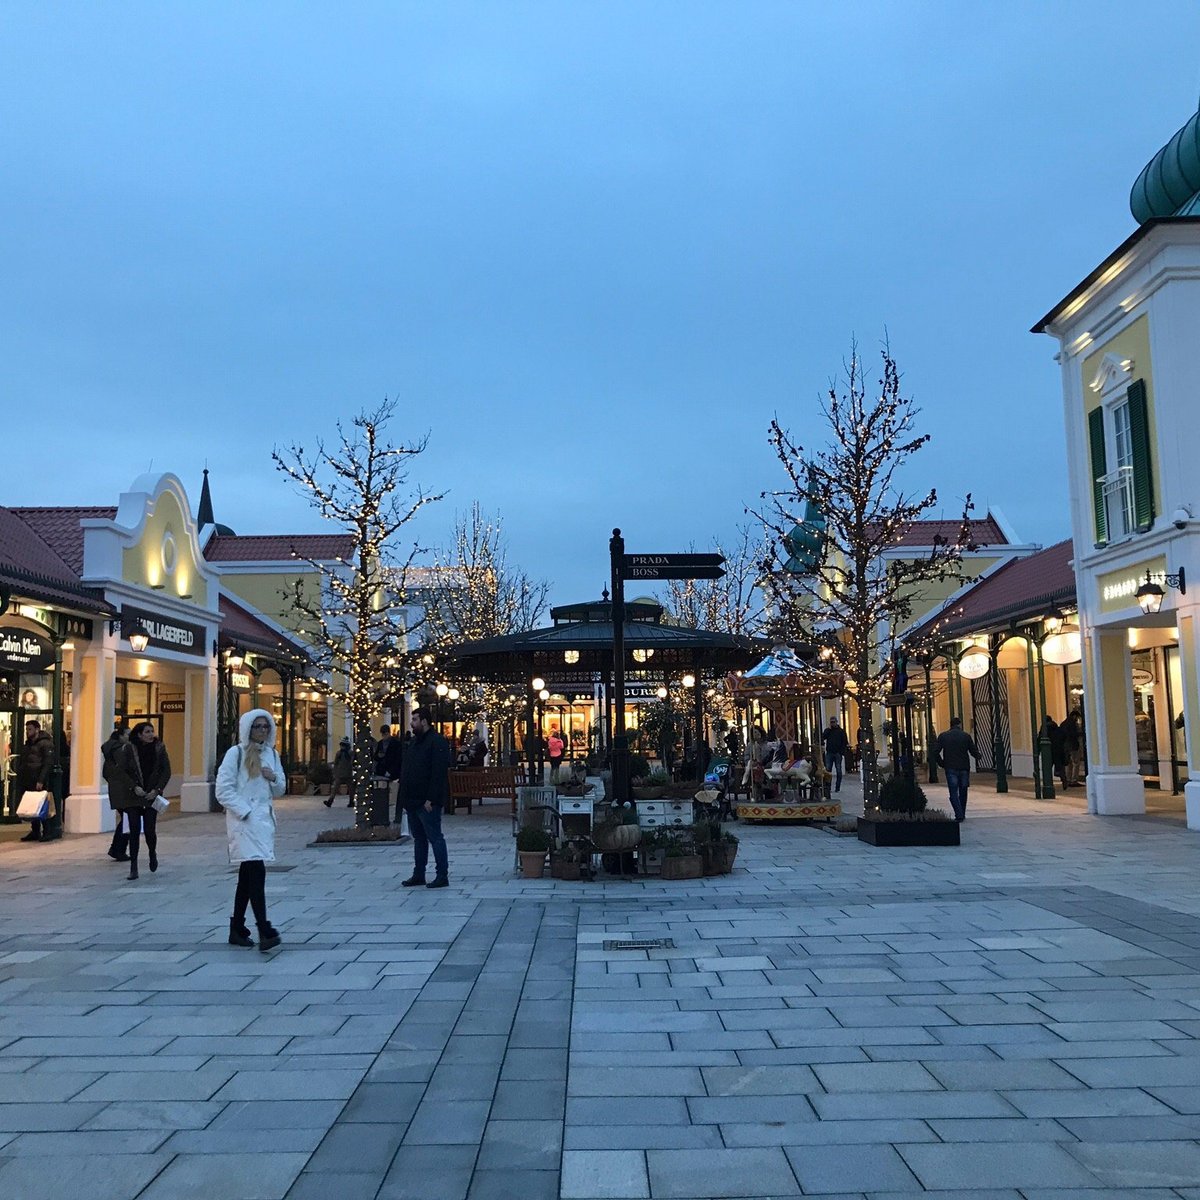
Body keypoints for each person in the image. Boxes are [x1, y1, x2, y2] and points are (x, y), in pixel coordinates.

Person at [215, 709, 285, 951]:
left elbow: (280, 789)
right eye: (258, 726)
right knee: (256, 873)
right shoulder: (235, 754)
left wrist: (273, 777)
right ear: (247, 728)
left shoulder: (272, 755)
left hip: (263, 823)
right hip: (244, 822)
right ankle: (264, 928)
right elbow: (223, 790)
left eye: (266, 726)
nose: (262, 731)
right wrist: (244, 811)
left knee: (247, 875)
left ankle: (237, 927)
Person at [399, 706, 451, 889]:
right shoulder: (414, 743)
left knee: (435, 837)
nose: (411, 724)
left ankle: (442, 874)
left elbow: (438, 773)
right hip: (412, 800)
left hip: (427, 802)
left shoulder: (437, 743)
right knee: (419, 839)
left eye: (414, 720)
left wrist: (431, 799)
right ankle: (419, 873)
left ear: (424, 721)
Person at [113, 722, 171, 880]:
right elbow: (121, 772)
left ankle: (152, 853)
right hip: (133, 797)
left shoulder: (159, 748)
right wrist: (133, 787)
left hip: (151, 796)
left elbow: (166, 771)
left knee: (150, 830)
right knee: (133, 830)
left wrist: (157, 790)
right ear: (139, 734)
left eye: (152, 731)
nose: (151, 734)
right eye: (147, 732)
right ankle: (134, 867)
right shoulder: (129, 749)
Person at [934, 717, 980, 822]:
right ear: (959, 725)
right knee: (963, 791)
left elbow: (935, 752)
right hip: (964, 767)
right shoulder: (965, 736)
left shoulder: (943, 736)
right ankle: (962, 812)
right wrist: (978, 756)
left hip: (950, 767)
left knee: (953, 792)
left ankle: (959, 814)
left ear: (950, 725)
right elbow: (973, 750)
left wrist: (942, 763)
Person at [16, 719, 55, 843]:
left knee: (41, 805)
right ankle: (35, 830)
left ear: (37, 729)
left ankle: (47, 831)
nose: (27, 732)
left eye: (30, 729)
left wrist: (41, 780)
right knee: (32, 805)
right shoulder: (28, 744)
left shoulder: (45, 743)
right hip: (28, 778)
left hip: (38, 779)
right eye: (27, 729)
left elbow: (47, 763)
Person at [101, 724, 130, 861]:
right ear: (120, 736)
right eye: (128, 735)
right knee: (129, 819)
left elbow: (105, 773)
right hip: (123, 789)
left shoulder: (110, 753)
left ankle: (117, 848)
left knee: (127, 818)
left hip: (116, 788)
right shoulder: (120, 751)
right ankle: (118, 849)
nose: (130, 738)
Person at [372, 724, 404, 824]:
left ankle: (395, 815)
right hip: (382, 770)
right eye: (383, 734)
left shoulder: (396, 744)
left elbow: (397, 759)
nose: (384, 736)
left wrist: (391, 771)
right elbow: (376, 757)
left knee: (392, 792)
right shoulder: (380, 743)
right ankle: (384, 815)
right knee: (382, 792)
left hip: (392, 771)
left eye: (385, 734)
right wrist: (379, 756)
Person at [821, 716, 849, 793]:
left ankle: (837, 787)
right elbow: (823, 737)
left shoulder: (841, 731)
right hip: (829, 752)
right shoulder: (828, 731)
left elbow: (845, 742)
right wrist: (828, 730)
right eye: (831, 722)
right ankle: (828, 787)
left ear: (837, 722)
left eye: (833, 722)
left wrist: (841, 753)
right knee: (828, 771)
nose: (832, 724)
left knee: (839, 771)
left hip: (837, 753)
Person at [325, 736, 353, 807]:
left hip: (344, 774)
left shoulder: (344, 753)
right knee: (339, 788)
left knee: (347, 789)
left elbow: (336, 763)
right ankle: (330, 801)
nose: (341, 747)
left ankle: (351, 801)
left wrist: (335, 772)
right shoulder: (343, 753)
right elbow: (336, 763)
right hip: (344, 774)